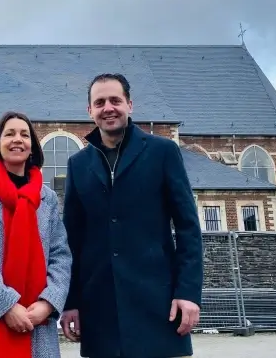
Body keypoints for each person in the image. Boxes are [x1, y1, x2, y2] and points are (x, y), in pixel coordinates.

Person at [59, 73, 204, 358]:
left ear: (130, 104)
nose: (108, 108)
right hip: (100, 307)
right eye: (99, 102)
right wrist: (71, 301)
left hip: (158, 303)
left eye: (115, 100)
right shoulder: (78, 164)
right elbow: (71, 239)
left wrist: (187, 292)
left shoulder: (163, 152)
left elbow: (188, 228)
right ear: (90, 111)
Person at [0, 111, 73, 358]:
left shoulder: (48, 198)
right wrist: (6, 305)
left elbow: (61, 255)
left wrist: (48, 303)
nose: (17, 139)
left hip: (37, 319)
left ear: (32, 147)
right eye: (9, 134)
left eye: (24, 134)